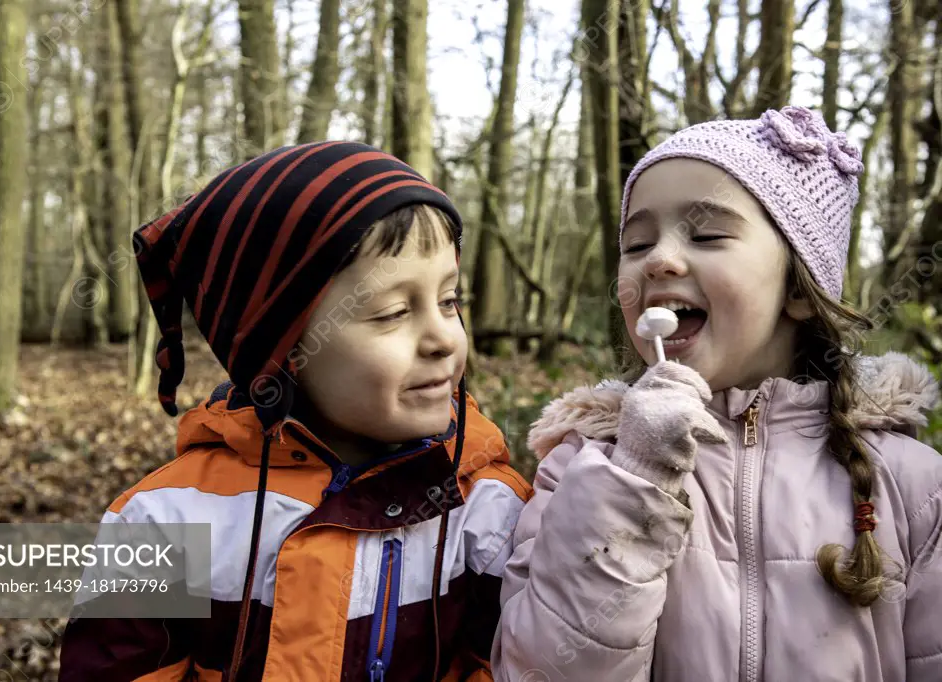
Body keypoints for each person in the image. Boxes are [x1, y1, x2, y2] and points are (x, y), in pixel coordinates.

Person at [491, 106, 942, 680]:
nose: (658, 259)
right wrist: (633, 483)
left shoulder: (914, 485)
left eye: (706, 234)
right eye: (635, 245)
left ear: (799, 289)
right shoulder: (583, 466)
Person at [58, 141, 532, 681]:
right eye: (394, 311)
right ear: (281, 348)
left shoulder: (487, 511)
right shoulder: (166, 519)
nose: (444, 338)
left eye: (449, 301)